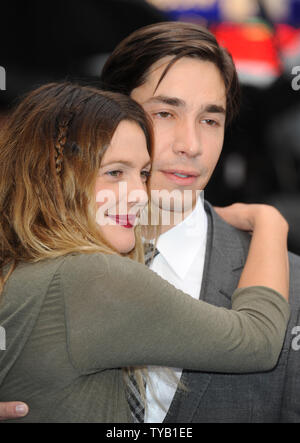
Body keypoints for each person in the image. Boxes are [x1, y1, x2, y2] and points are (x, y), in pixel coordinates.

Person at [0, 82, 290, 423]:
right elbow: (258, 340)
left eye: (143, 173)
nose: (140, 193)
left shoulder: (25, 265)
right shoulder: (93, 278)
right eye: (114, 172)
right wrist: (270, 221)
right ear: (51, 176)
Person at [97, 22, 300, 423]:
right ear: (108, 117)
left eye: (210, 120)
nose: (190, 145)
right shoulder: (28, 260)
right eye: (165, 112)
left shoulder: (292, 286)